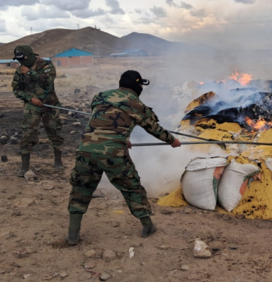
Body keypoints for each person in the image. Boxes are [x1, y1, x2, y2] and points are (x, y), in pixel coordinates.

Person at [67, 70, 181, 245]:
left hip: (85, 149)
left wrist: (122, 137)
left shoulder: (99, 97)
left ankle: (72, 234)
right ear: (137, 85)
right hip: (113, 153)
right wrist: (172, 141)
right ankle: (147, 226)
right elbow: (154, 129)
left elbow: (103, 120)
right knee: (131, 187)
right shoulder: (137, 105)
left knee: (81, 188)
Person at [11, 45, 64, 177]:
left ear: (29, 56)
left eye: (23, 59)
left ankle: (58, 161)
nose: (21, 63)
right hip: (32, 106)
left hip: (50, 104)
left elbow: (48, 82)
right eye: (19, 60)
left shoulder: (46, 65)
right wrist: (30, 98)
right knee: (27, 134)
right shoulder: (19, 70)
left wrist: (29, 72)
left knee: (54, 132)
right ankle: (24, 166)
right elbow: (17, 90)